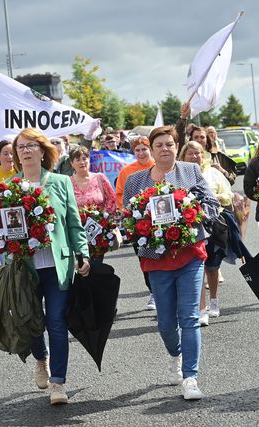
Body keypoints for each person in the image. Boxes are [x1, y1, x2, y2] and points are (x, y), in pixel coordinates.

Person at [123, 125, 220, 401]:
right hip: (156, 259)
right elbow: (129, 220)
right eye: (159, 145)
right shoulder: (136, 181)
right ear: (151, 150)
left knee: (189, 317)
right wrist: (142, 226)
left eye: (170, 144)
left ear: (177, 147)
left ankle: (191, 377)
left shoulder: (190, 172)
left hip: (189, 253)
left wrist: (189, 212)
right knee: (166, 322)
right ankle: (175, 354)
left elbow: (212, 206)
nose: (165, 149)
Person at [12, 127, 90, 405]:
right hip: (26, 268)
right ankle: (40, 359)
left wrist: (83, 253)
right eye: (20, 147)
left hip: (57, 265)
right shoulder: (9, 187)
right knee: (33, 322)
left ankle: (58, 383)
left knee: (56, 321)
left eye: (31, 145)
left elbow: (73, 223)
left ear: (42, 150)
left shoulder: (60, 182)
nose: (25, 150)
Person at [182, 141, 233, 326]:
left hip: (212, 225)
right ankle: (199, 307)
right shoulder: (179, 174)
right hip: (188, 228)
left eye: (198, 153)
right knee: (194, 267)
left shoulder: (212, 173)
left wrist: (213, 197)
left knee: (212, 267)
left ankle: (213, 300)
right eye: (191, 154)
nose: (195, 157)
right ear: (183, 156)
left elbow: (228, 196)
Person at [115, 136, 156, 309]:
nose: (141, 153)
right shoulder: (126, 171)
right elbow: (119, 195)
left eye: (144, 149)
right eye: (137, 150)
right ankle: (153, 291)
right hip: (137, 223)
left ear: (150, 150)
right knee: (144, 257)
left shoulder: (157, 167)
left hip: (159, 220)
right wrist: (128, 213)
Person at [69, 146, 116, 263]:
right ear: (72, 163)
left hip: (98, 232)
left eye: (84, 158)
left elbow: (112, 200)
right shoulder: (67, 182)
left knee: (96, 267)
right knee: (81, 266)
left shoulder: (99, 177)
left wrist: (103, 217)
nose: (82, 162)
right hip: (77, 232)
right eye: (77, 159)